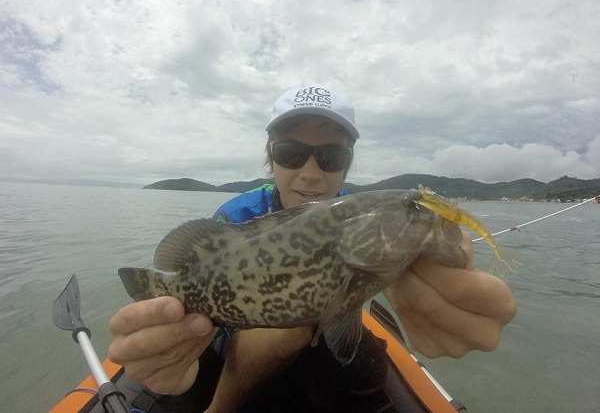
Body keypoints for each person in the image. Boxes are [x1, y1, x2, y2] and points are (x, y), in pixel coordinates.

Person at [108, 86, 517, 412]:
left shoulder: (364, 215)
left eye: (330, 156)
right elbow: (194, 275)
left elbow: (407, 262)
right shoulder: (236, 216)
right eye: (291, 153)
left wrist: (442, 275)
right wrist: (167, 339)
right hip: (232, 338)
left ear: (347, 164)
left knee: (367, 374)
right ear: (271, 159)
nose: (310, 172)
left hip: (324, 333)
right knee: (289, 333)